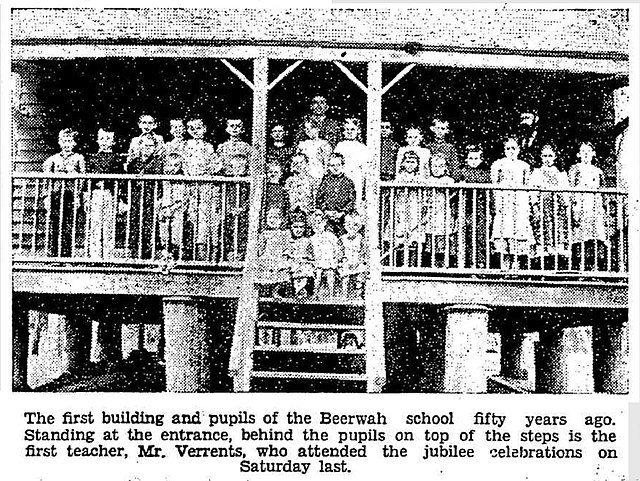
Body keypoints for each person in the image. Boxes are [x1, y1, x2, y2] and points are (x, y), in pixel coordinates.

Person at [490, 137, 534, 270]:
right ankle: (504, 269)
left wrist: (527, 206)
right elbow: (494, 185)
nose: (511, 151)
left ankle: (516, 270)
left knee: (518, 236)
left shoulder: (524, 166)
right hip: (504, 202)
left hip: (519, 202)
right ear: (504, 150)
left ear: (518, 149)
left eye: (513, 148)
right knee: (503, 234)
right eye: (508, 148)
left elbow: (527, 186)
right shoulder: (498, 164)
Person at [184, 117, 222, 261]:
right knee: (191, 217)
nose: (195, 131)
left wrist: (206, 171)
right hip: (190, 187)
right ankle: (189, 254)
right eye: (192, 128)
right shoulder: (186, 146)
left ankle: (205, 256)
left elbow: (216, 165)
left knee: (205, 219)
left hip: (205, 187)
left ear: (204, 129)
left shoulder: (209, 147)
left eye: (198, 128)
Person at [43, 128, 86, 257]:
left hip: (71, 196)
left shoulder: (79, 158)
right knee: (54, 224)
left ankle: (67, 255)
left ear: (74, 143)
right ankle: (53, 255)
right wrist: (46, 196)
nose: (67, 144)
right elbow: (46, 179)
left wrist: (78, 196)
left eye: (69, 141)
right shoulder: (53, 159)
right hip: (55, 195)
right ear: (59, 142)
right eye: (64, 141)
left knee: (69, 225)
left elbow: (82, 179)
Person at [528, 143, 570, 270]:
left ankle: (558, 265)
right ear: (541, 157)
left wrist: (565, 205)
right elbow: (533, 191)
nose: (547, 159)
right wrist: (535, 205)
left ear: (555, 157)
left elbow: (565, 192)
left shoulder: (560, 174)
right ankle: (543, 265)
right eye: (545, 156)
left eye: (550, 156)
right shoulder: (536, 173)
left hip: (557, 206)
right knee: (542, 230)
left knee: (558, 231)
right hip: (542, 206)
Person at [568, 141, 608, 271]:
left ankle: (594, 267)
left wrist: (602, 208)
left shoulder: (597, 171)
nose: (586, 154)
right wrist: (574, 208)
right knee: (580, 237)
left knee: (595, 237)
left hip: (595, 206)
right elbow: (571, 189)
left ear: (593, 154)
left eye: (588, 151)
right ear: (579, 154)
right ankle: (579, 267)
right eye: (583, 151)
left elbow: (602, 191)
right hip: (581, 205)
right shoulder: (575, 168)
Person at [124, 134, 164, 259]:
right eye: (145, 146)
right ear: (140, 146)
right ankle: (133, 253)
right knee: (135, 222)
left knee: (149, 224)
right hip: (136, 197)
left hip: (150, 197)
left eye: (151, 146)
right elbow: (126, 182)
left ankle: (147, 254)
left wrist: (160, 197)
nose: (148, 148)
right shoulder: (134, 163)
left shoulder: (158, 163)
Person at [85, 127, 123, 259]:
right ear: (97, 140)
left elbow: (120, 180)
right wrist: (86, 197)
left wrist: (120, 199)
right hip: (95, 193)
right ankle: (94, 255)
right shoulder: (92, 158)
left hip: (109, 194)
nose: (104, 141)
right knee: (95, 224)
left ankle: (108, 255)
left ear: (113, 142)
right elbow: (87, 179)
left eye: (108, 139)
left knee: (108, 225)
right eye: (102, 138)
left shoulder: (116, 158)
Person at [458, 144, 491, 269]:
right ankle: (466, 264)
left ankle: (481, 264)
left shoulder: (485, 174)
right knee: (465, 237)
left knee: (480, 237)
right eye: (470, 158)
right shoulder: (462, 172)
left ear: (481, 159)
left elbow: (489, 195)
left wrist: (490, 211)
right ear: (466, 159)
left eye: (476, 158)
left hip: (481, 209)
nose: (473, 161)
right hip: (466, 209)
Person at [424, 153, 456, 268]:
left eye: (440, 166)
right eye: (434, 166)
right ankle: (430, 265)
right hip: (430, 213)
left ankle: (443, 265)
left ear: (446, 168)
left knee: (442, 238)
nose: (437, 169)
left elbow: (451, 193)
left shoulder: (449, 180)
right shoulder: (428, 181)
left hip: (443, 214)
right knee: (430, 238)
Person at [392, 149, 423, 267]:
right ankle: (399, 264)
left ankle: (413, 265)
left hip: (414, 206)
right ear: (403, 163)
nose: (410, 165)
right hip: (402, 207)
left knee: (414, 234)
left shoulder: (419, 177)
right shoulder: (399, 177)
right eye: (407, 161)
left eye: (413, 162)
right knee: (400, 234)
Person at [315, 152, 356, 237]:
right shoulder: (325, 182)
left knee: (344, 236)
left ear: (343, 166)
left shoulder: (348, 182)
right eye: (332, 165)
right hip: (328, 216)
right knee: (327, 236)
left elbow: (351, 201)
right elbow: (319, 199)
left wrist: (343, 212)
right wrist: (326, 211)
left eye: (338, 165)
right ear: (329, 167)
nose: (335, 168)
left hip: (343, 217)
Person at [157, 151, 186, 264]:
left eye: (176, 165)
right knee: (164, 233)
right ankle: (165, 254)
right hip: (164, 210)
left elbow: (182, 199)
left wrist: (172, 208)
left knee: (176, 233)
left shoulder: (182, 180)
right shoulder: (163, 179)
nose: (172, 168)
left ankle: (175, 256)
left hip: (176, 210)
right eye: (170, 165)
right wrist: (161, 207)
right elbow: (159, 195)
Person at [335, 118, 370, 209]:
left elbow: (365, 169)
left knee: (355, 203)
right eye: (347, 129)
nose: (349, 132)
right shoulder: (340, 146)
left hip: (356, 178)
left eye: (352, 129)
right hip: (342, 177)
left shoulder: (362, 148)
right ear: (343, 131)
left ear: (358, 131)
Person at [255, 207, 290, 297]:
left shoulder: (284, 233)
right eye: (270, 217)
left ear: (281, 220)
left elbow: (286, 246)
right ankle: (266, 290)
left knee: (282, 269)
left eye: (275, 217)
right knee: (264, 267)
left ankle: (275, 290)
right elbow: (261, 247)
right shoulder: (265, 233)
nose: (272, 220)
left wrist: (285, 256)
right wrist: (260, 256)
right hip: (268, 256)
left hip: (279, 256)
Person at [284, 208, 315, 298]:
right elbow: (286, 254)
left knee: (306, 269)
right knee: (292, 269)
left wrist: (305, 260)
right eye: (295, 227)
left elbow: (311, 256)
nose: (298, 230)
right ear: (291, 228)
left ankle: (302, 290)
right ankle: (295, 291)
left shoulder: (307, 241)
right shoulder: (289, 241)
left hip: (304, 263)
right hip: (293, 262)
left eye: (301, 227)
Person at [309, 211, 339, 297]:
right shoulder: (313, 238)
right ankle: (315, 294)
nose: (317, 226)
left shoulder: (330, 235)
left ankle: (331, 294)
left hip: (329, 258)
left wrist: (335, 257)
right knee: (317, 276)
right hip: (319, 259)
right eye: (314, 224)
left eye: (319, 223)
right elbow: (312, 250)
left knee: (330, 275)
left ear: (324, 223)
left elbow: (335, 246)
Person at [297, 120, 331, 194]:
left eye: (311, 128)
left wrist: (325, 174)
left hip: (319, 174)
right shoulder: (302, 144)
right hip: (305, 175)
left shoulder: (324, 144)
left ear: (317, 128)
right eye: (306, 129)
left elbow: (326, 161)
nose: (308, 131)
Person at [338, 212, 367, 297]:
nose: (352, 227)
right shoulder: (342, 239)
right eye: (349, 224)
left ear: (360, 226)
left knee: (361, 272)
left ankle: (358, 293)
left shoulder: (361, 239)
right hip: (346, 261)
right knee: (345, 275)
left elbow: (363, 252)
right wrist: (343, 261)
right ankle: (344, 294)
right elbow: (340, 252)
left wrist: (358, 262)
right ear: (344, 225)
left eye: (355, 225)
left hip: (357, 261)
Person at [425, 117, 460, 182]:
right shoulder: (427, 148)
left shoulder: (450, 148)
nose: (439, 131)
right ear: (432, 129)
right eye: (437, 128)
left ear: (447, 131)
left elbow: (455, 167)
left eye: (442, 129)